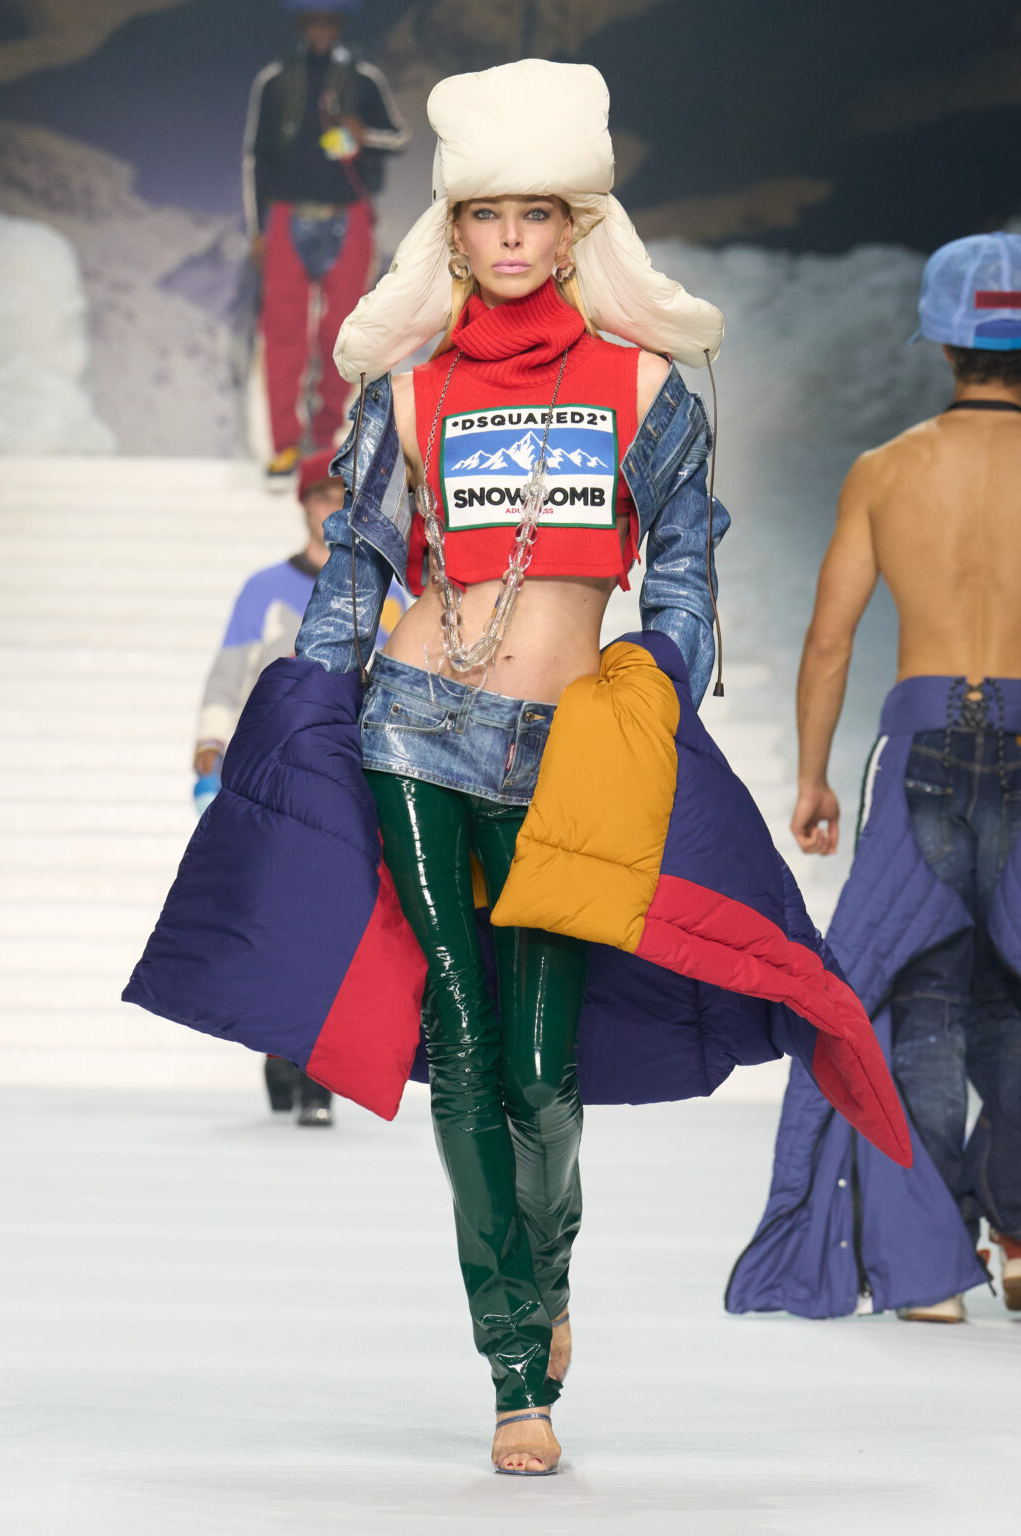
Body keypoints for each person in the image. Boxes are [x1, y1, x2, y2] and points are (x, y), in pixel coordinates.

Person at [126, 61, 910, 1477]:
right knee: (466, 1044)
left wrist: (658, 676)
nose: (508, 239)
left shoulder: (646, 386)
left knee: (546, 1072)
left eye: (535, 215)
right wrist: (305, 704)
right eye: (485, 216)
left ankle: (543, 1287)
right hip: (413, 731)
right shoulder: (409, 389)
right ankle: (510, 1370)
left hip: (568, 752)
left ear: (573, 229)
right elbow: (358, 574)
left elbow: (684, 570)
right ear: (455, 231)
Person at [727, 232, 1021, 1326]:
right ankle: (1019, 1232)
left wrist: (812, 776)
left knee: (922, 997)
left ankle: (930, 1272)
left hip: (921, 746)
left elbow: (829, 639)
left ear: (943, 343)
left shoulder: (886, 469)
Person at [193, 449, 407, 1125]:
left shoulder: (389, 592)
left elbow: (409, 679)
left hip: (352, 779)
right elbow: (230, 672)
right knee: (277, 920)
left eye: (342, 496)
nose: (331, 507)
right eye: (320, 496)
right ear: (304, 505)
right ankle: (279, 1049)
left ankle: (314, 1068)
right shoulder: (264, 590)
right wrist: (209, 744)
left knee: (331, 924)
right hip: (275, 777)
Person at [243, 1, 409, 486]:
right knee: (283, 332)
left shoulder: (363, 77)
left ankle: (324, 436)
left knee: (343, 333)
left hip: (347, 214)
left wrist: (363, 134)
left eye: (329, 19)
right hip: (288, 212)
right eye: (313, 19)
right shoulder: (276, 80)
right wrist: (257, 228)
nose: (320, 28)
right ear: (301, 23)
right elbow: (256, 158)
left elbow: (398, 137)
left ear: (340, 24)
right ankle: (284, 445)